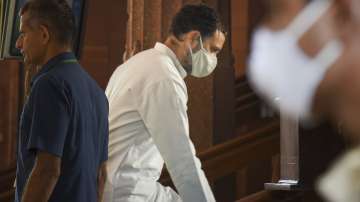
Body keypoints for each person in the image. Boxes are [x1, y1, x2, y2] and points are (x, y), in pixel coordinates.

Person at [104, 4, 225, 202]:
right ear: (194, 39)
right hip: (127, 192)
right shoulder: (163, 76)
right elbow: (182, 162)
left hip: (120, 185)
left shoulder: (137, 63)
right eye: (213, 50)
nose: (213, 60)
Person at [14, 0, 109, 202]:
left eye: (23, 34)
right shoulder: (97, 92)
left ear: (44, 34)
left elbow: (47, 171)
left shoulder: (49, 84)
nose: (18, 44)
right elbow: (101, 176)